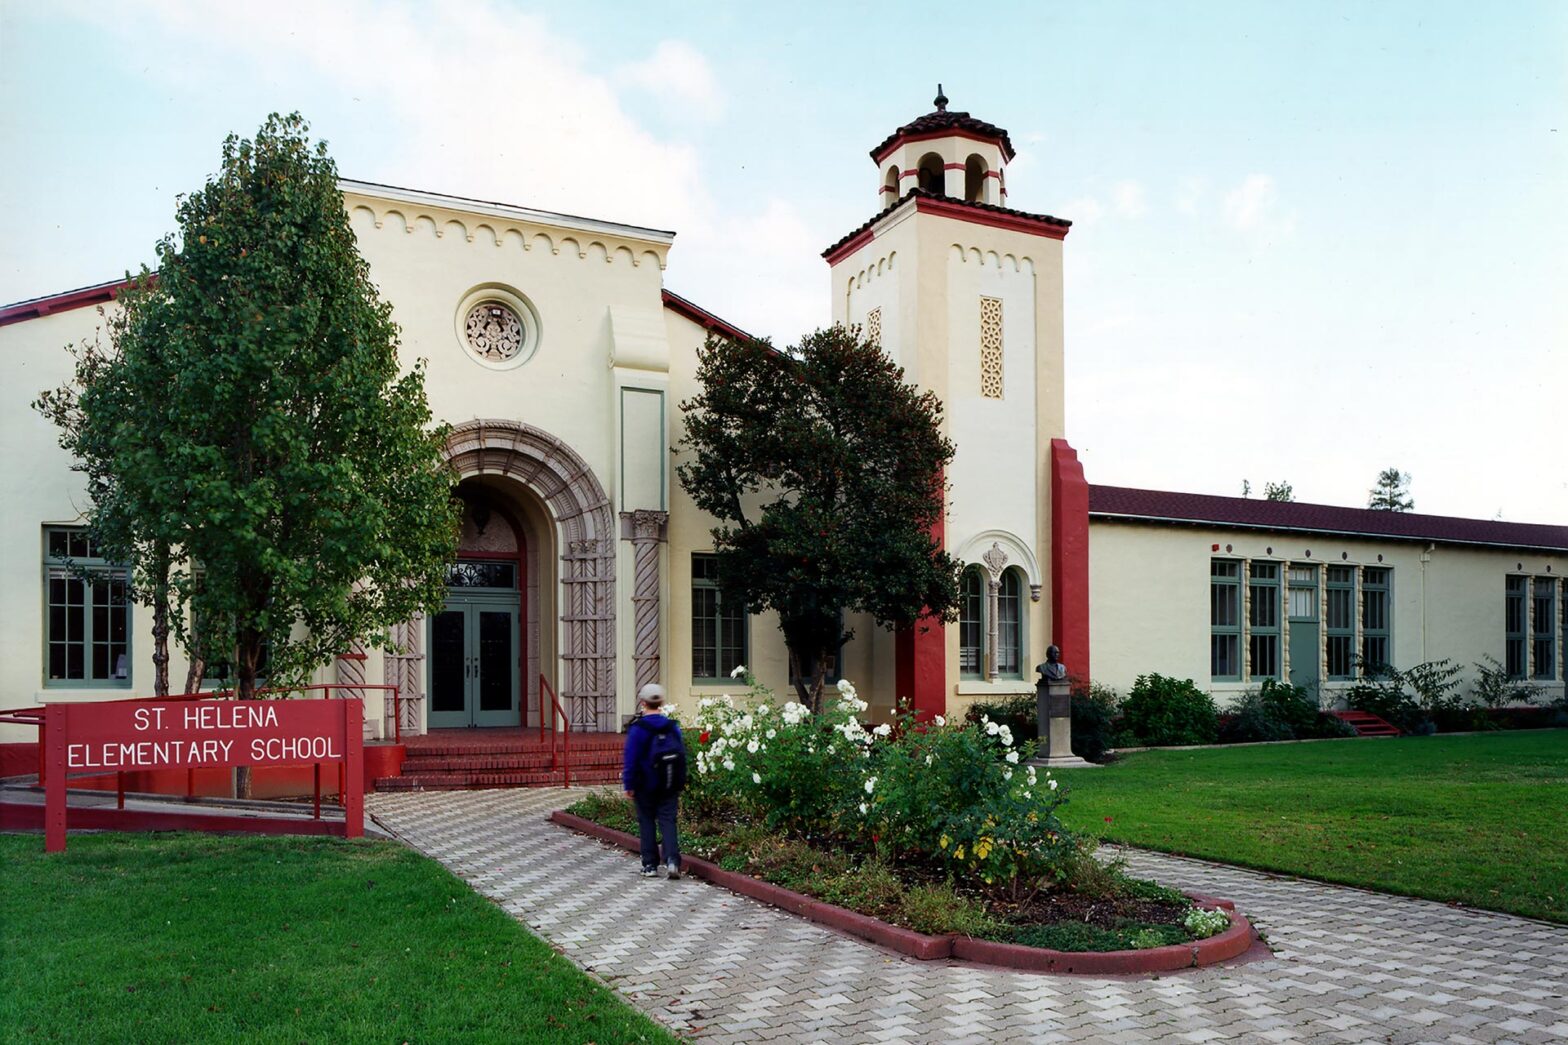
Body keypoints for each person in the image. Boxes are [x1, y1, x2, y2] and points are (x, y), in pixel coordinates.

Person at [622, 683, 685, 880]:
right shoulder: (672, 726)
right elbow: (682, 754)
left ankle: (650, 865)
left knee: (647, 821)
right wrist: (680, 781)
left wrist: (629, 784)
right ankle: (673, 861)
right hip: (669, 782)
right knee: (668, 820)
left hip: (645, 784)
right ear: (661, 703)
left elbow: (631, 758)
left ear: (643, 703)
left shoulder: (638, 729)